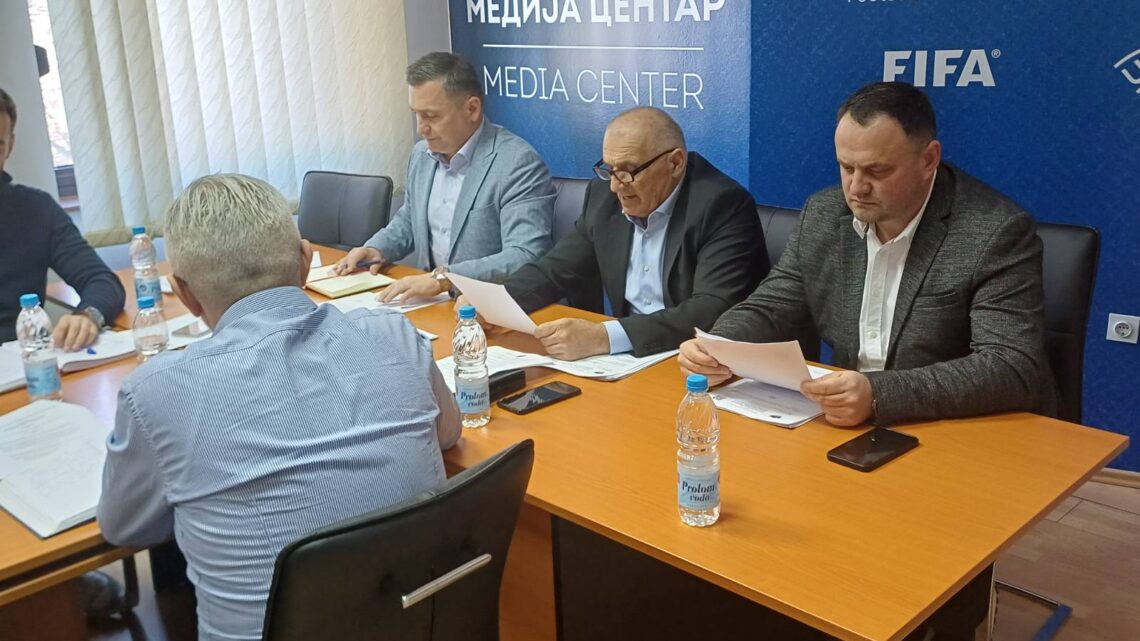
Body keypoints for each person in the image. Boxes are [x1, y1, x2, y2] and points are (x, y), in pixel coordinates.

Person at [97, 174, 461, 640]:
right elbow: (448, 433)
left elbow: (123, 526)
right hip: (421, 624)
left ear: (184, 294)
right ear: (306, 262)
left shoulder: (156, 393)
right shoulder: (394, 335)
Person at [680, 81, 1057, 429]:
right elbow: (772, 305)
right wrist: (717, 347)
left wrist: (878, 394)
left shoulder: (993, 232)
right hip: (848, 426)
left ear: (929, 160)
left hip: (956, 430)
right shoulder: (824, 215)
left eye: (877, 170)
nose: (857, 188)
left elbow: (1010, 366)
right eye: (846, 167)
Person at [464, 107, 768, 361]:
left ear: (675, 163)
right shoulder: (603, 197)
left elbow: (712, 308)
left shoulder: (722, 204)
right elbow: (556, 269)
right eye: (609, 169)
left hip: (693, 360)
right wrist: (494, 304)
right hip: (628, 360)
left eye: (628, 171)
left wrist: (604, 337)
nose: (615, 185)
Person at [335, 52, 556, 302]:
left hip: (485, 307)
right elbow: (410, 219)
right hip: (427, 303)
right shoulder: (421, 155)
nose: (421, 128)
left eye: (431, 116)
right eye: (416, 114)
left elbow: (525, 254)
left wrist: (445, 279)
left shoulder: (517, 164)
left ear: (472, 109)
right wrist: (376, 248)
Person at [0, 87, 124, 349]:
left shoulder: (36, 209)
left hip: (24, 363)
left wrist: (88, 316)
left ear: (10, 145)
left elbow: (102, 281)